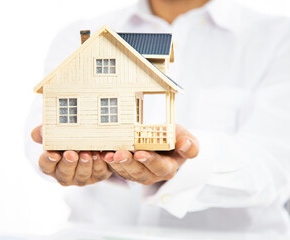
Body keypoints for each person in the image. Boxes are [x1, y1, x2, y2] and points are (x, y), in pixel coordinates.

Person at [26, 0, 290, 235]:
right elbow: (37, 138)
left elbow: (273, 163)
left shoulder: (279, 38)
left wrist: (187, 159)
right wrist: (59, 151)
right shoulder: (81, 34)